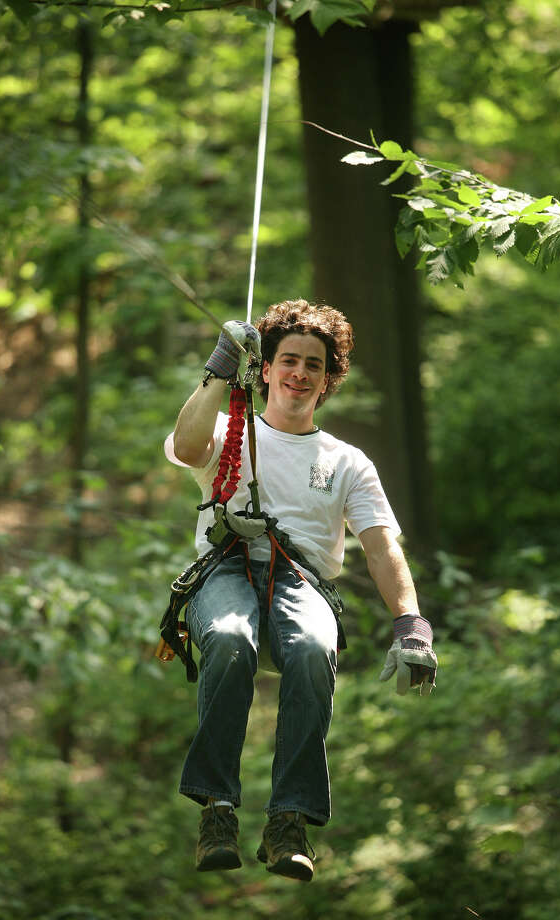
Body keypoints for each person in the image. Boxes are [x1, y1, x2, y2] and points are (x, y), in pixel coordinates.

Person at [164, 298, 437, 883]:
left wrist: (411, 623)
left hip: (301, 581)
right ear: (264, 369)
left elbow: (382, 546)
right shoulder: (228, 429)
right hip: (225, 568)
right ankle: (216, 809)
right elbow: (187, 450)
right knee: (232, 638)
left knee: (315, 649)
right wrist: (217, 368)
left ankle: (289, 820)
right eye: (288, 360)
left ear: (327, 379)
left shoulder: (347, 463)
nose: (299, 373)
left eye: (314, 365)